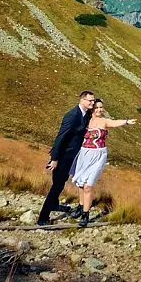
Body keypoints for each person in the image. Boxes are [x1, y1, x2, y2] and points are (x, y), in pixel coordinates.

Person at [70, 98, 137, 227]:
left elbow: (114, 122)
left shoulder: (104, 121)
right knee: (81, 184)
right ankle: (81, 206)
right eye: (97, 108)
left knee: (88, 185)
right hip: (84, 154)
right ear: (92, 109)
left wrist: (127, 121)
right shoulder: (85, 121)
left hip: (99, 155)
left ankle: (85, 215)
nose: (99, 110)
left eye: (101, 107)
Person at [36, 90, 96, 227]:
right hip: (63, 156)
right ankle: (42, 218)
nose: (92, 103)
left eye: (93, 101)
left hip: (73, 156)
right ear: (81, 101)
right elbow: (61, 137)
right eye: (90, 101)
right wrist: (55, 159)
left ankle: (55, 205)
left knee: (61, 182)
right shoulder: (72, 115)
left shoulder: (85, 114)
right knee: (56, 186)